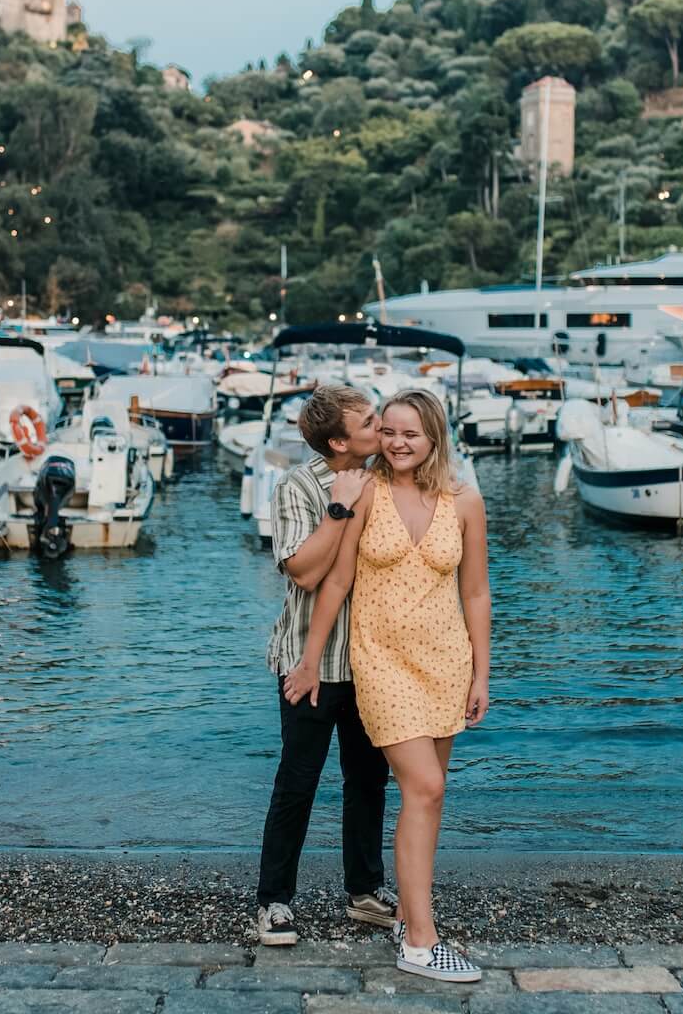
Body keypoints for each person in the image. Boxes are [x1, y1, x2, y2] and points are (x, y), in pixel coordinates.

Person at [284, 388, 491, 982]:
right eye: (390, 431)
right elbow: (337, 582)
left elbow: (476, 592)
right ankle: (422, 943)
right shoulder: (366, 492)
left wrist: (482, 672)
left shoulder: (466, 500)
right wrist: (310, 661)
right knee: (424, 785)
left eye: (410, 434)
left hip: (446, 662)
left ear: (434, 438)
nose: (397, 443)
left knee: (430, 796)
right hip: (382, 662)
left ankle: (407, 915)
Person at [254, 384, 398, 947]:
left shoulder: (387, 477)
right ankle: (274, 902)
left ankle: (364, 891)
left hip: (370, 662)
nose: (380, 425)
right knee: (298, 782)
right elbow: (306, 572)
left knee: (369, 780)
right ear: (339, 442)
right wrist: (340, 507)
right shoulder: (298, 486)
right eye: (369, 422)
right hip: (307, 662)